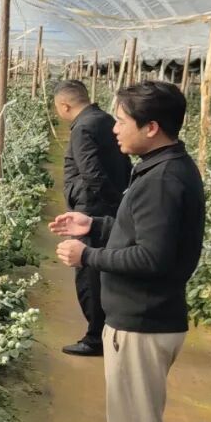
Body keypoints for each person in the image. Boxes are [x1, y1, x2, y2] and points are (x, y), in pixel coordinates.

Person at [52, 81, 205, 422]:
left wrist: (87, 255)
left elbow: (152, 258)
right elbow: (141, 233)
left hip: (143, 320)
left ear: (151, 127)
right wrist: (95, 225)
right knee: (140, 419)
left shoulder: (163, 180)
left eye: (122, 120)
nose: (114, 128)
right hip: (147, 316)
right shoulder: (161, 168)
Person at [53, 79, 132, 357]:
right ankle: (104, 331)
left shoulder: (83, 128)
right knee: (102, 270)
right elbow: (124, 164)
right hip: (105, 208)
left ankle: (95, 337)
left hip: (92, 209)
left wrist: (112, 201)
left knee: (89, 274)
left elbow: (91, 173)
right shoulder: (105, 119)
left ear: (65, 106)